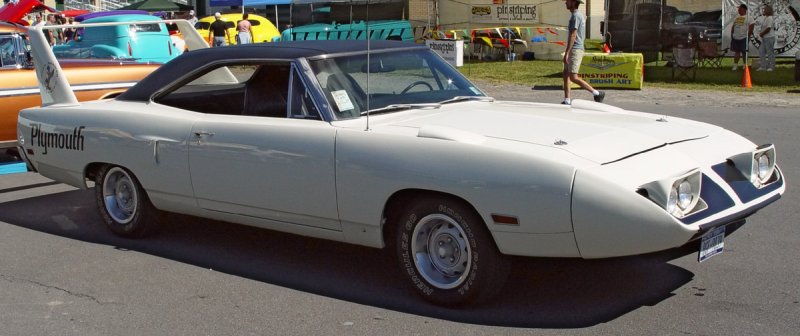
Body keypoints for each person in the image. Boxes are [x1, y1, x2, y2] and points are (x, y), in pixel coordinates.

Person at [562, 0, 604, 105]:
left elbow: (573, 35)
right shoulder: (577, 15)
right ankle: (567, 99)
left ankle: (597, 93)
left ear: (573, 2)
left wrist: (567, 52)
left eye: (567, 1)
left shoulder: (575, 16)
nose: (565, 3)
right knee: (566, 74)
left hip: (575, 49)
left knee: (573, 77)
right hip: (574, 48)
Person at [753, 5, 775, 71]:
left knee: (770, 52)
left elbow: (768, 28)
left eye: (764, 10)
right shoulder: (766, 18)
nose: (763, 11)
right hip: (765, 38)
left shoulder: (770, 18)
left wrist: (762, 33)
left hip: (769, 37)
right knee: (761, 51)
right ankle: (763, 66)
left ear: (768, 11)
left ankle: (771, 67)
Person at [730, 4, 750, 70]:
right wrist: (732, 34)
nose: (738, 10)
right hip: (736, 37)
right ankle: (735, 65)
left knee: (744, 52)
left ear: (744, 9)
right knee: (737, 51)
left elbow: (751, 26)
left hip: (743, 37)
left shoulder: (749, 17)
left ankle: (745, 65)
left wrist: (748, 35)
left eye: (740, 9)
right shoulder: (736, 18)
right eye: (738, 9)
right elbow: (733, 26)